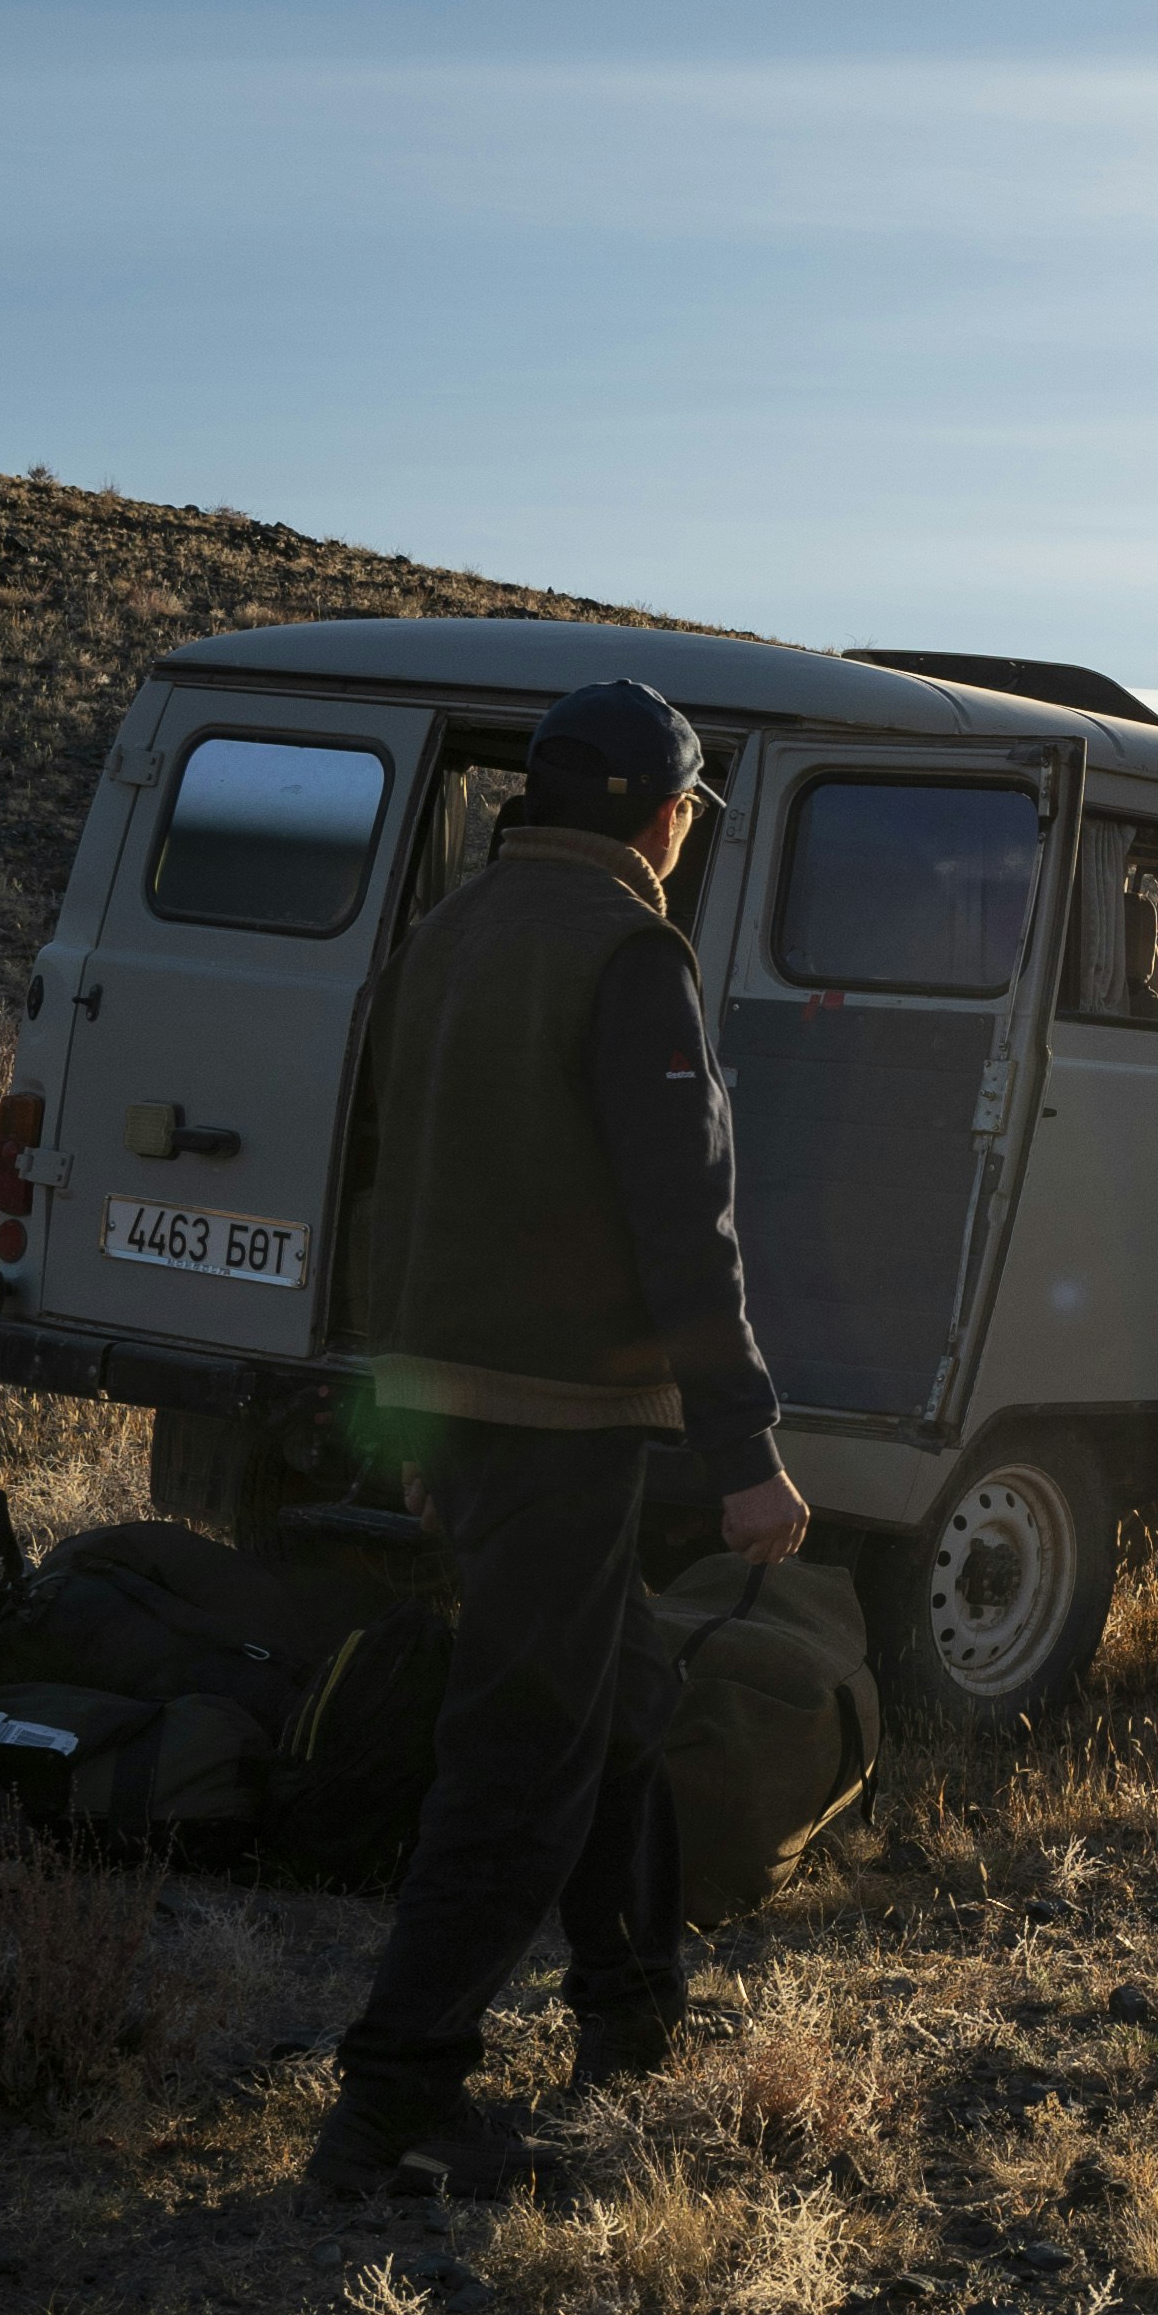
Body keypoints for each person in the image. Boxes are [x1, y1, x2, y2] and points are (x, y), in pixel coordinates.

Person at [314, 678, 805, 2204]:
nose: (680, 834)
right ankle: (394, 2103)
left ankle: (633, 2009)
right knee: (520, 1754)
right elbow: (689, 1226)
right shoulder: (629, 952)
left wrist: (396, 1406)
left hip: (457, 1411)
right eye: (684, 809)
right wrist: (746, 1451)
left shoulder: (438, 942)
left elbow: (379, 1187)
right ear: (660, 814)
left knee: (622, 1693)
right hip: (562, 1421)